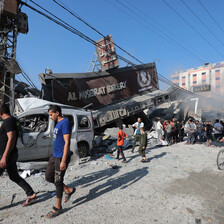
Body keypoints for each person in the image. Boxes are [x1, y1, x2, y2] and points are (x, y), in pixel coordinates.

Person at [0, 104, 36, 207]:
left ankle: (31, 193)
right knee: (14, 176)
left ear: (1, 113)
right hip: (11, 154)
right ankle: (30, 193)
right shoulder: (13, 120)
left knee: (14, 176)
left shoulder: (8, 122)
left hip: (6, 155)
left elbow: (11, 138)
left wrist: (4, 157)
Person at [45, 105, 75, 218]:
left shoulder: (65, 123)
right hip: (54, 156)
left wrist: (63, 161)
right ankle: (68, 189)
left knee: (58, 181)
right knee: (48, 177)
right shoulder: (57, 123)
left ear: (57, 113)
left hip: (61, 157)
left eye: (51, 115)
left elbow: (67, 142)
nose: (50, 117)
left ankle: (58, 207)